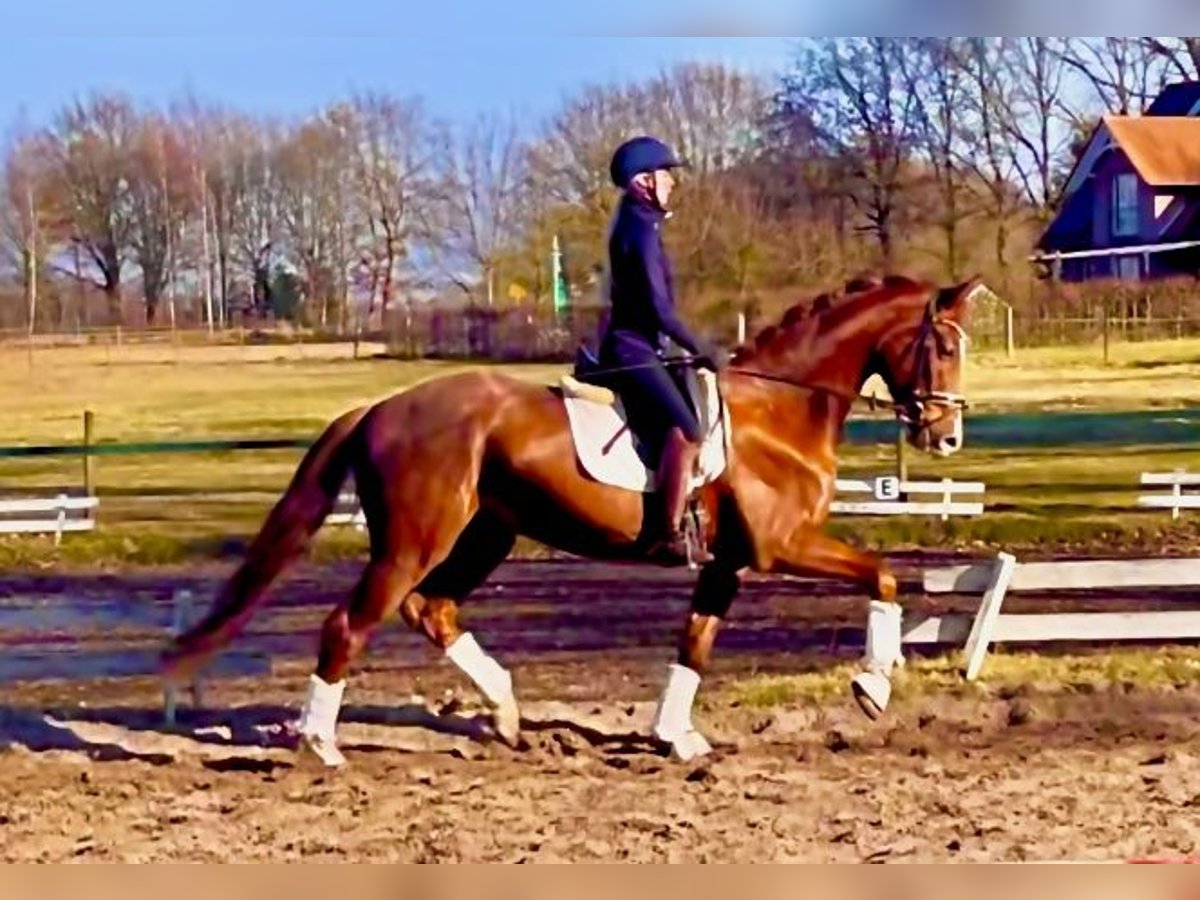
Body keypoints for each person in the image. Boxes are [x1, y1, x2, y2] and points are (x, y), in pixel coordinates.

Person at [597, 135, 721, 566]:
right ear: (644, 182)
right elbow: (659, 309)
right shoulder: (642, 232)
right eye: (666, 175)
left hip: (642, 346)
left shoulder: (636, 222)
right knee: (688, 429)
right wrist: (701, 347)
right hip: (633, 349)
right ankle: (666, 535)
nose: (673, 183)